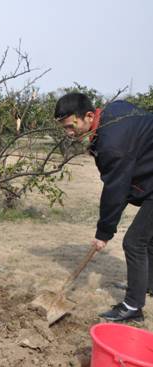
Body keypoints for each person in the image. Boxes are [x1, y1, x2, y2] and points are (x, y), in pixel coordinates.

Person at [55, 92, 153, 322]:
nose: (69, 133)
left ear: (89, 116)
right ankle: (147, 285)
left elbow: (115, 190)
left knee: (134, 242)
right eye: (65, 129)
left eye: (71, 126)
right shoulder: (114, 110)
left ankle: (132, 307)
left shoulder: (112, 145)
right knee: (147, 239)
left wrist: (104, 233)